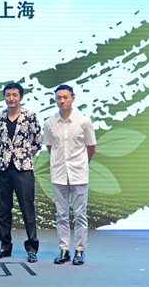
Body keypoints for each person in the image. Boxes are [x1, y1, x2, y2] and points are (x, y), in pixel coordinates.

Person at [43, 84, 96, 266]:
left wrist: (81, 164)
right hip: (59, 174)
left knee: (80, 214)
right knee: (61, 214)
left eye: (65, 97)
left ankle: (80, 250)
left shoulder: (84, 121)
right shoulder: (50, 122)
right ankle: (64, 249)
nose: (62, 101)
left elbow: (91, 147)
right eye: (58, 98)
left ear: (73, 98)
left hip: (79, 173)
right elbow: (50, 146)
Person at [0, 82, 41, 263]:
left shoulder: (30, 116)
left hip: (23, 169)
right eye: (8, 95)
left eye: (15, 95)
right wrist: (7, 156)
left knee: (27, 209)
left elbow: (36, 142)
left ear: (21, 97)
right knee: (4, 210)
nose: (11, 98)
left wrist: (23, 156)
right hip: (4, 168)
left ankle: (32, 248)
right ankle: (5, 246)